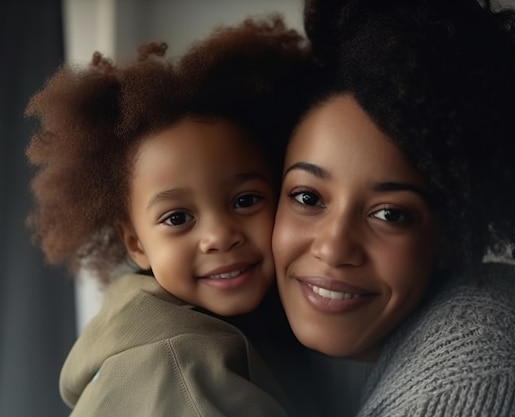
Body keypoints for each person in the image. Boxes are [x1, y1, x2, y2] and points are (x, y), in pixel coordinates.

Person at [271, 0, 515, 415]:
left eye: (390, 214)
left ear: (447, 235)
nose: (334, 246)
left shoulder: (486, 388)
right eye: (307, 198)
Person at [25, 16, 317, 417]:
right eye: (178, 218)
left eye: (246, 201)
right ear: (136, 244)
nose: (219, 235)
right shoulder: (184, 368)